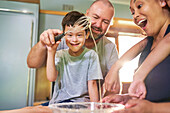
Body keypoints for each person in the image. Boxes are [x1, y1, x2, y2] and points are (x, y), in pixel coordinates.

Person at [27, 0, 120, 95]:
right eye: (95, 17)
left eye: (105, 22)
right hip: (61, 103)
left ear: (110, 24)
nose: (98, 25)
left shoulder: (110, 48)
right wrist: (43, 44)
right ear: (86, 14)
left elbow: (114, 89)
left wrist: (100, 106)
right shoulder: (63, 41)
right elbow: (32, 64)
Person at [103, 0, 170, 112]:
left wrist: (152, 109)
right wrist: (127, 98)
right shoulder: (148, 46)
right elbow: (153, 94)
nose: (135, 16)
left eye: (139, 6)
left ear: (162, 1)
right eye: (132, 12)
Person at [46, 11, 103, 104]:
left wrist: (96, 108)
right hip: (59, 103)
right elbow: (51, 78)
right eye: (70, 35)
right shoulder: (60, 54)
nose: (74, 40)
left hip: (81, 104)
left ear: (87, 34)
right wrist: (51, 51)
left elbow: (92, 84)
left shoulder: (91, 55)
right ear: (64, 35)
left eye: (79, 35)